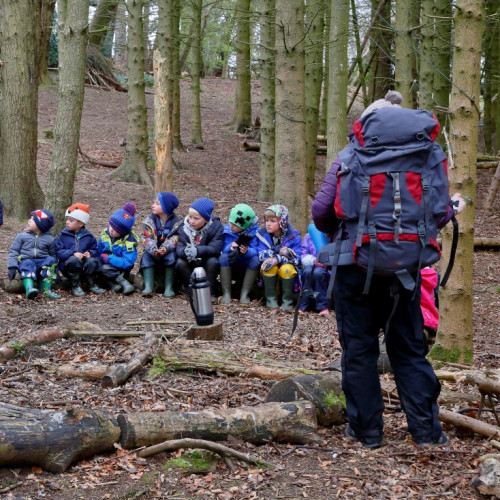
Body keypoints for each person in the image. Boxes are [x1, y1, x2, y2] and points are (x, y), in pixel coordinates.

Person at [312, 93, 466, 449]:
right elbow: (439, 212)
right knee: (409, 351)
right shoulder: (427, 156)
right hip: (407, 271)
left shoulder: (351, 155)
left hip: (355, 266)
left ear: (367, 127)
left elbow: (322, 212)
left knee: (360, 350)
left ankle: (367, 432)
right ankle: (427, 433)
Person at [175, 197, 224, 302]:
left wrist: (198, 251)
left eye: (196, 218)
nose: (192, 221)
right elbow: (179, 247)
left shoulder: (216, 227)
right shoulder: (184, 227)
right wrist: (185, 251)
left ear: (206, 219)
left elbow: (215, 248)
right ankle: (192, 291)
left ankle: (210, 292)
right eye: (190, 217)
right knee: (180, 263)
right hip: (190, 261)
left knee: (213, 262)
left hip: (206, 259)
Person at [256, 204, 301, 311]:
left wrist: (278, 259)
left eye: (272, 221)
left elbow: (297, 258)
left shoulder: (293, 236)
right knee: (268, 265)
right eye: (267, 220)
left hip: (288, 273)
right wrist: (278, 251)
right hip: (271, 275)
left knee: (287, 269)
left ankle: (287, 302)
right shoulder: (262, 235)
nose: (268, 224)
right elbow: (261, 254)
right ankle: (271, 300)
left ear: (282, 222)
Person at [7, 209, 60, 300]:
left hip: (42, 263)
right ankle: (29, 289)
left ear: (40, 225)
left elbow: (53, 255)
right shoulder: (22, 236)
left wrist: (55, 271)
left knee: (51, 260)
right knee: (26, 263)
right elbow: (14, 251)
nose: (29, 220)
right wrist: (12, 267)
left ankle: (46, 289)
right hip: (27, 262)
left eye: (32, 219)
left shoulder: (49, 238)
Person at [55, 203, 105, 296]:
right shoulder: (63, 235)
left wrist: (89, 253)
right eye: (67, 220)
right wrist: (73, 253)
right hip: (69, 267)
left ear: (81, 223)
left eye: (71, 220)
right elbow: (59, 251)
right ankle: (76, 285)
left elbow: (95, 250)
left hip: (84, 268)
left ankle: (92, 284)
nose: (67, 222)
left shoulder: (89, 236)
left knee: (92, 261)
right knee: (73, 260)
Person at [140, 192, 181, 297]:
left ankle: (169, 287)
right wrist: (153, 249)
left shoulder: (177, 223)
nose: (153, 205)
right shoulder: (150, 221)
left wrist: (165, 248)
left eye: (157, 204)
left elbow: (175, 238)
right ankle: (148, 286)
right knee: (146, 257)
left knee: (172, 258)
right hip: (153, 251)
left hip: (167, 251)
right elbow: (146, 237)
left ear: (166, 207)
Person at [219, 203, 260, 305]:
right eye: (231, 223)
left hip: (246, 265)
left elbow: (256, 251)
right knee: (223, 257)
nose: (232, 226)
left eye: (235, 225)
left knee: (255, 260)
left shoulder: (255, 233)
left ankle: (244, 294)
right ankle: (226, 294)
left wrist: (246, 251)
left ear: (245, 226)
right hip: (232, 264)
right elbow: (223, 247)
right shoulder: (228, 230)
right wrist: (231, 247)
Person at [98, 202, 138, 295]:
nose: (111, 230)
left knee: (104, 268)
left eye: (116, 230)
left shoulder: (129, 242)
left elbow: (127, 262)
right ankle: (114, 285)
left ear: (123, 232)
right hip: (106, 265)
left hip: (121, 268)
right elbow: (98, 251)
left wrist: (109, 258)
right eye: (111, 226)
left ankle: (124, 282)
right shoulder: (105, 235)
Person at [298, 227, 330, 316]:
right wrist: (313, 260)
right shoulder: (309, 236)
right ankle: (304, 305)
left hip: (327, 268)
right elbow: (304, 255)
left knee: (318, 273)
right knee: (307, 272)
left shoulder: (333, 235)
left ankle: (323, 306)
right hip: (312, 264)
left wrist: (327, 261)